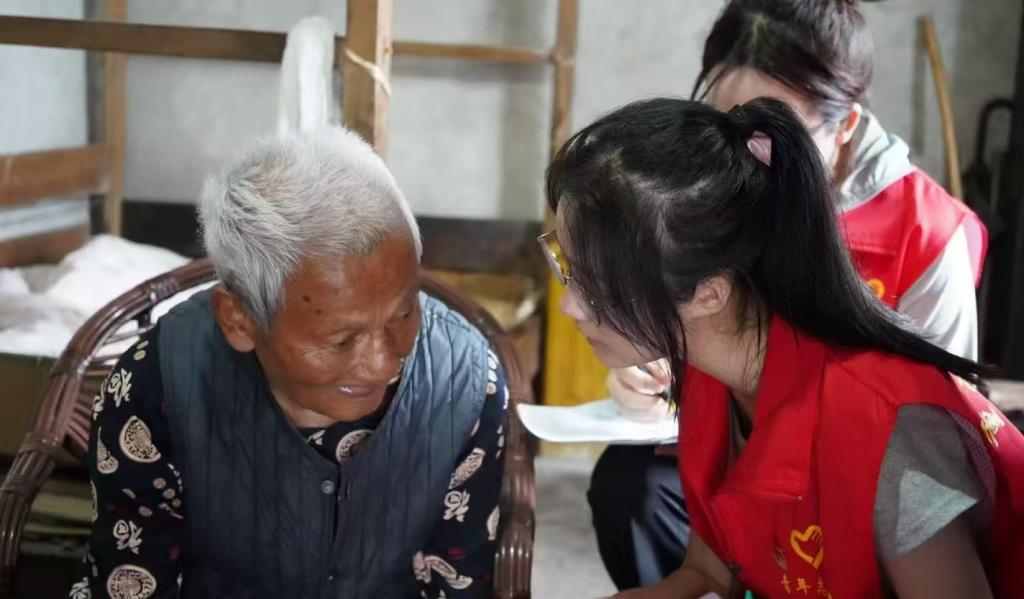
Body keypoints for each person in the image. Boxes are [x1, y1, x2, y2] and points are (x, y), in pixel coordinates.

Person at [542, 96, 1024, 597]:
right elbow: (708, 572)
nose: (569, 305)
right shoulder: (711, 369)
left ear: (708, 294)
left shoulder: (887, 428)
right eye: (569, 269)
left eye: (596, 284)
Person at [72, 128, 508, 599]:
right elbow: (132, 577)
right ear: (240, 320)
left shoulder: (465, 380)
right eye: (342, 340)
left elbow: (461, 579)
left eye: (403, 314)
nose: (383, 364)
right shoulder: (157, 384)